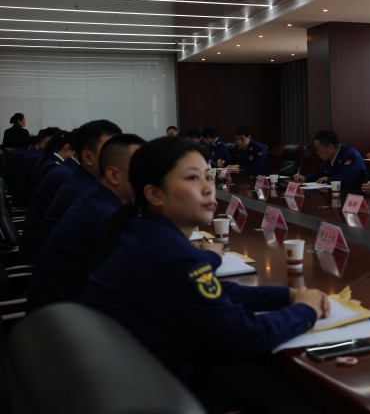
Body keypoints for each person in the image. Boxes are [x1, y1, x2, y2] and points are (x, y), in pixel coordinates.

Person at [79, 137, 328, 405]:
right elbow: (246, 336)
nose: (208, 188)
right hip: (144, 399)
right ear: (154, 194)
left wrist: (288, 295)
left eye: (208, 177)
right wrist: (306, 310)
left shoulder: (147, 232)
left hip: (126, 385)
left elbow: (215, 291)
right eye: (193, 178)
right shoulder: (166, 251)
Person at [28, 134, 146, 310]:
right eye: (140, 169)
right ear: (113, 174)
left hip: (62, 312)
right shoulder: (104, 214)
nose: (147, 177)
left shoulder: (95, 199)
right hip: (67, 320)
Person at [20, 120, 122, 263]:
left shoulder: (74, 175)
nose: (117, 159)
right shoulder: (74, 183)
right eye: (109, 151)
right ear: (87, 156)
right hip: (35, 259)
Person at [294, 129, 368, 189]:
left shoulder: (350, 155)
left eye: (318, 149)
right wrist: (305, 178)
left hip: (356, 195)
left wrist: (328, 179)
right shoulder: (329, 157)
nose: (317, 153)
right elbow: (319, 174)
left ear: (330, 147)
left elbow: (346, 178)